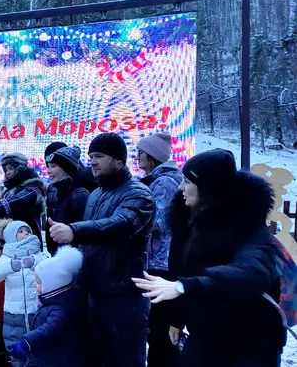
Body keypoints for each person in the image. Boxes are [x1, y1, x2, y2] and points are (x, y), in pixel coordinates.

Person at [133, 149, 287, 367]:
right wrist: (176, 320)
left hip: (251, 341)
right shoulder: (188, 220)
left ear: (208, 188)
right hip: (206, 333)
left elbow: (252, 272)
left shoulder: (248, 228)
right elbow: (181, 272)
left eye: (187, 181)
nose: (180, 187)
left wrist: (184, 287)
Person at [48, 132, 154, 367]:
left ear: (119, 160)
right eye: (91, 156)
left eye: (100, 156)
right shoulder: (96, 194)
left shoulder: (138, 193)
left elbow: (121, 225)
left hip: (125, 299)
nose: (93, 161)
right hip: (93, 294)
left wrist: (74, 230)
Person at [135, 132, 183, 367]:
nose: (137, 157)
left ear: (153, 155)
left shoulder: (163, 182)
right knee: (158, 332)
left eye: (141, 153)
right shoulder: (159, 179)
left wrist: (132, 221)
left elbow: (161, 221)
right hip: (160, 261)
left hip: (161, 263)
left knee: (160, 333)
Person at [7, 246, 85, 367]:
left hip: (55, 360)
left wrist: (27, 343)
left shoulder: (60, 309)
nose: (34, 284)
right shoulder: (53, 302)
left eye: (38, 282)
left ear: (53, 285)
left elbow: (49, 330)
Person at [0, 220, 48, 352]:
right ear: (10, 236)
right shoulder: (6, 256)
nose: (25, 233)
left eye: (28, 231)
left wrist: (34, 262)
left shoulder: (38, 254)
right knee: (15, 347)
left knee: (39, 347)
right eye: (20, 231)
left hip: (36, 310)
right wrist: (10, 265)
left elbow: (48, 269)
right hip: (14, 313)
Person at [0, 153, 46, 241]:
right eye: (6, 170)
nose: (8, 172)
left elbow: (19, 200)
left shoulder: (33, 187)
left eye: (10, 168)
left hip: (28, 236)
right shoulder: (8, 189)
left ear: (20, 169)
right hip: (12, 237)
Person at [45, 146, 90, 255]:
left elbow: (85, 235)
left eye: (53, 166)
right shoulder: (59, 192)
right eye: (48, 166)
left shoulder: (79, 195)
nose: (48, 171)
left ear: (67, 168)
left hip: (72, 262)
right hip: (59, 257)